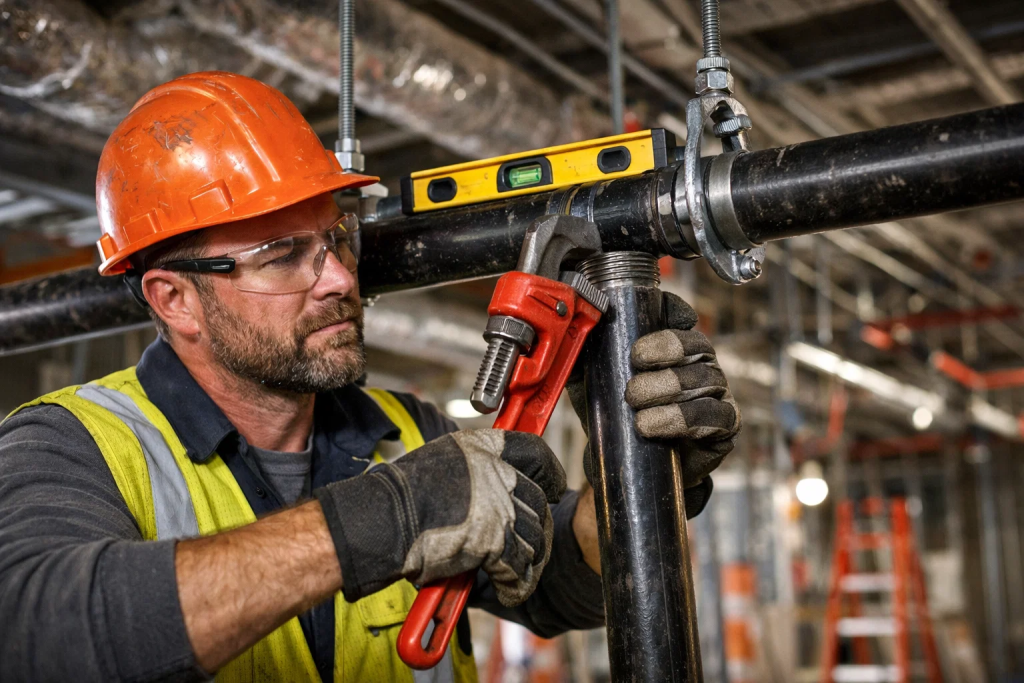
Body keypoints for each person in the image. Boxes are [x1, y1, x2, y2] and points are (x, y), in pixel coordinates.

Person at [0, 72, 740, 682]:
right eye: (283, 255)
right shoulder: (73, 443)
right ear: (174, 300)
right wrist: (380, 519)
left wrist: (638, 475)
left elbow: (558, 585)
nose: (339, 278)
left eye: (338, 238)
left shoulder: (412, 434)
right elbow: (37, 636)